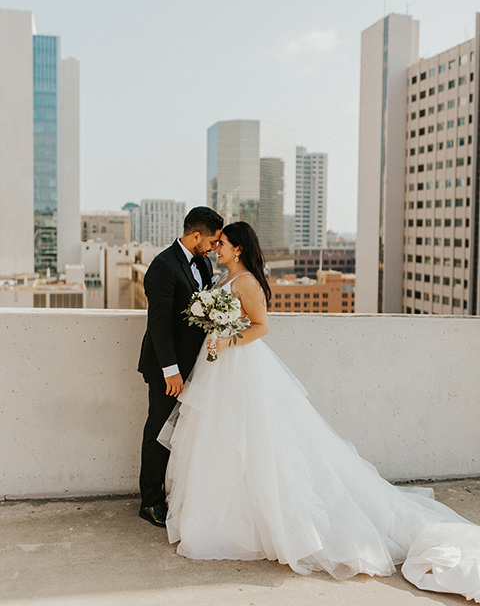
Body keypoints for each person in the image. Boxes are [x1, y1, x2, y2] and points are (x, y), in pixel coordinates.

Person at [158, 221, 480, 602]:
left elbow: (261, 327)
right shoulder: (223, 277)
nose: (217, 248)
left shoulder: (246, 282)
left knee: (253, 439)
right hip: (218, 366)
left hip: (239, 366)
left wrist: (227, 339)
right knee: (219, 439)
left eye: (223, 243)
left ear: (239, 249)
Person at [137, 205, 223, 527]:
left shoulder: (203, 262)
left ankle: (177, 493)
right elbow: (158, 325)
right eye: (212, 241)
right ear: (196, 235)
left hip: (195, 365)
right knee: (158, 431)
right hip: (167, 369)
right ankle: (151, 502)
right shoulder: (163, 266)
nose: (215, 247)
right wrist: (170, 370)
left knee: (184, 433)